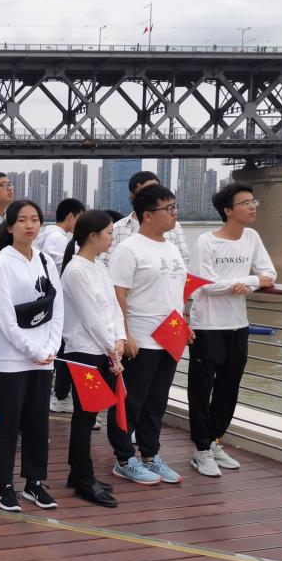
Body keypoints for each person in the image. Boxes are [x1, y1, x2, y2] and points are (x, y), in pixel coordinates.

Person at [188, 184, 275, 477]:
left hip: (238, 324)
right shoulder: (206, 241)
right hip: (207, 325)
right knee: (202, 389)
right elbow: (205, 284)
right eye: (245, 202)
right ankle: (201, 449)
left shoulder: (251, 237)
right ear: (227, 210)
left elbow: (269, 273)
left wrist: (249, 282)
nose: (252, 206)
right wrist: (247, 282)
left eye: (253, 201)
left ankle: (214, 441)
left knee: (229, 387)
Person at [108, 185, 190, 485]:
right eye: (168, 208)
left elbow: (174, 292)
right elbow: (117, 293)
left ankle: (151, 455)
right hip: (141, 339)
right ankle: (123, 459)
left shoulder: (171, 247)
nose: (174, 213)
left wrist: (184, 324)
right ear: (148, 215)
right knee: (131, 401)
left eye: (174, 207)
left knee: (157, 402)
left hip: (170, 337)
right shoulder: (129, 248)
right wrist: (125, 334)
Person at [0, 200, 64, 512]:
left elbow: (58, 308)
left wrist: (51, 348)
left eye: (34, 219)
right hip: (11, 358)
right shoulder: (1, 264)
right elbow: (4, 319)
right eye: (22, 220)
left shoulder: (45, 260)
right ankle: (4, 484)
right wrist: (34, 350)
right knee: (7, 424)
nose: (29, 225)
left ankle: (34, 481)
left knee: (37, 423)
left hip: (44, 358)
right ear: (10, 226)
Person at [59, 210, 124, 507]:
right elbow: (91, 318)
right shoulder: (76, 271)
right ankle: (84, 480)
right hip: (83, 351)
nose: (112, 238)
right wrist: (113, 347)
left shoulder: (98, 266)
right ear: (92, 236)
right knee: (85, 416)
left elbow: (113, 307)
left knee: (89, 414)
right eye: (109, 233)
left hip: (103, 349)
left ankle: (78, 473)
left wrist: (119, 339)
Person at [38, 198, 86, 414]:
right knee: (64, 349)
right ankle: (61, 395)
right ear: (70, 216)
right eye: (80, 218)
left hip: (48, 301)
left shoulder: (45, 236)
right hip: (60, 302)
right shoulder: (59, 240)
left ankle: (59, 394)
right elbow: (63, 270)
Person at [101, 171, 191, 269]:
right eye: (146, 190)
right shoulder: (117, 228)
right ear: (132, 196)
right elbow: (104, 263)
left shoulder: (174, 226)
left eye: (156, 188)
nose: (153, 193)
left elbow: (185, 261)